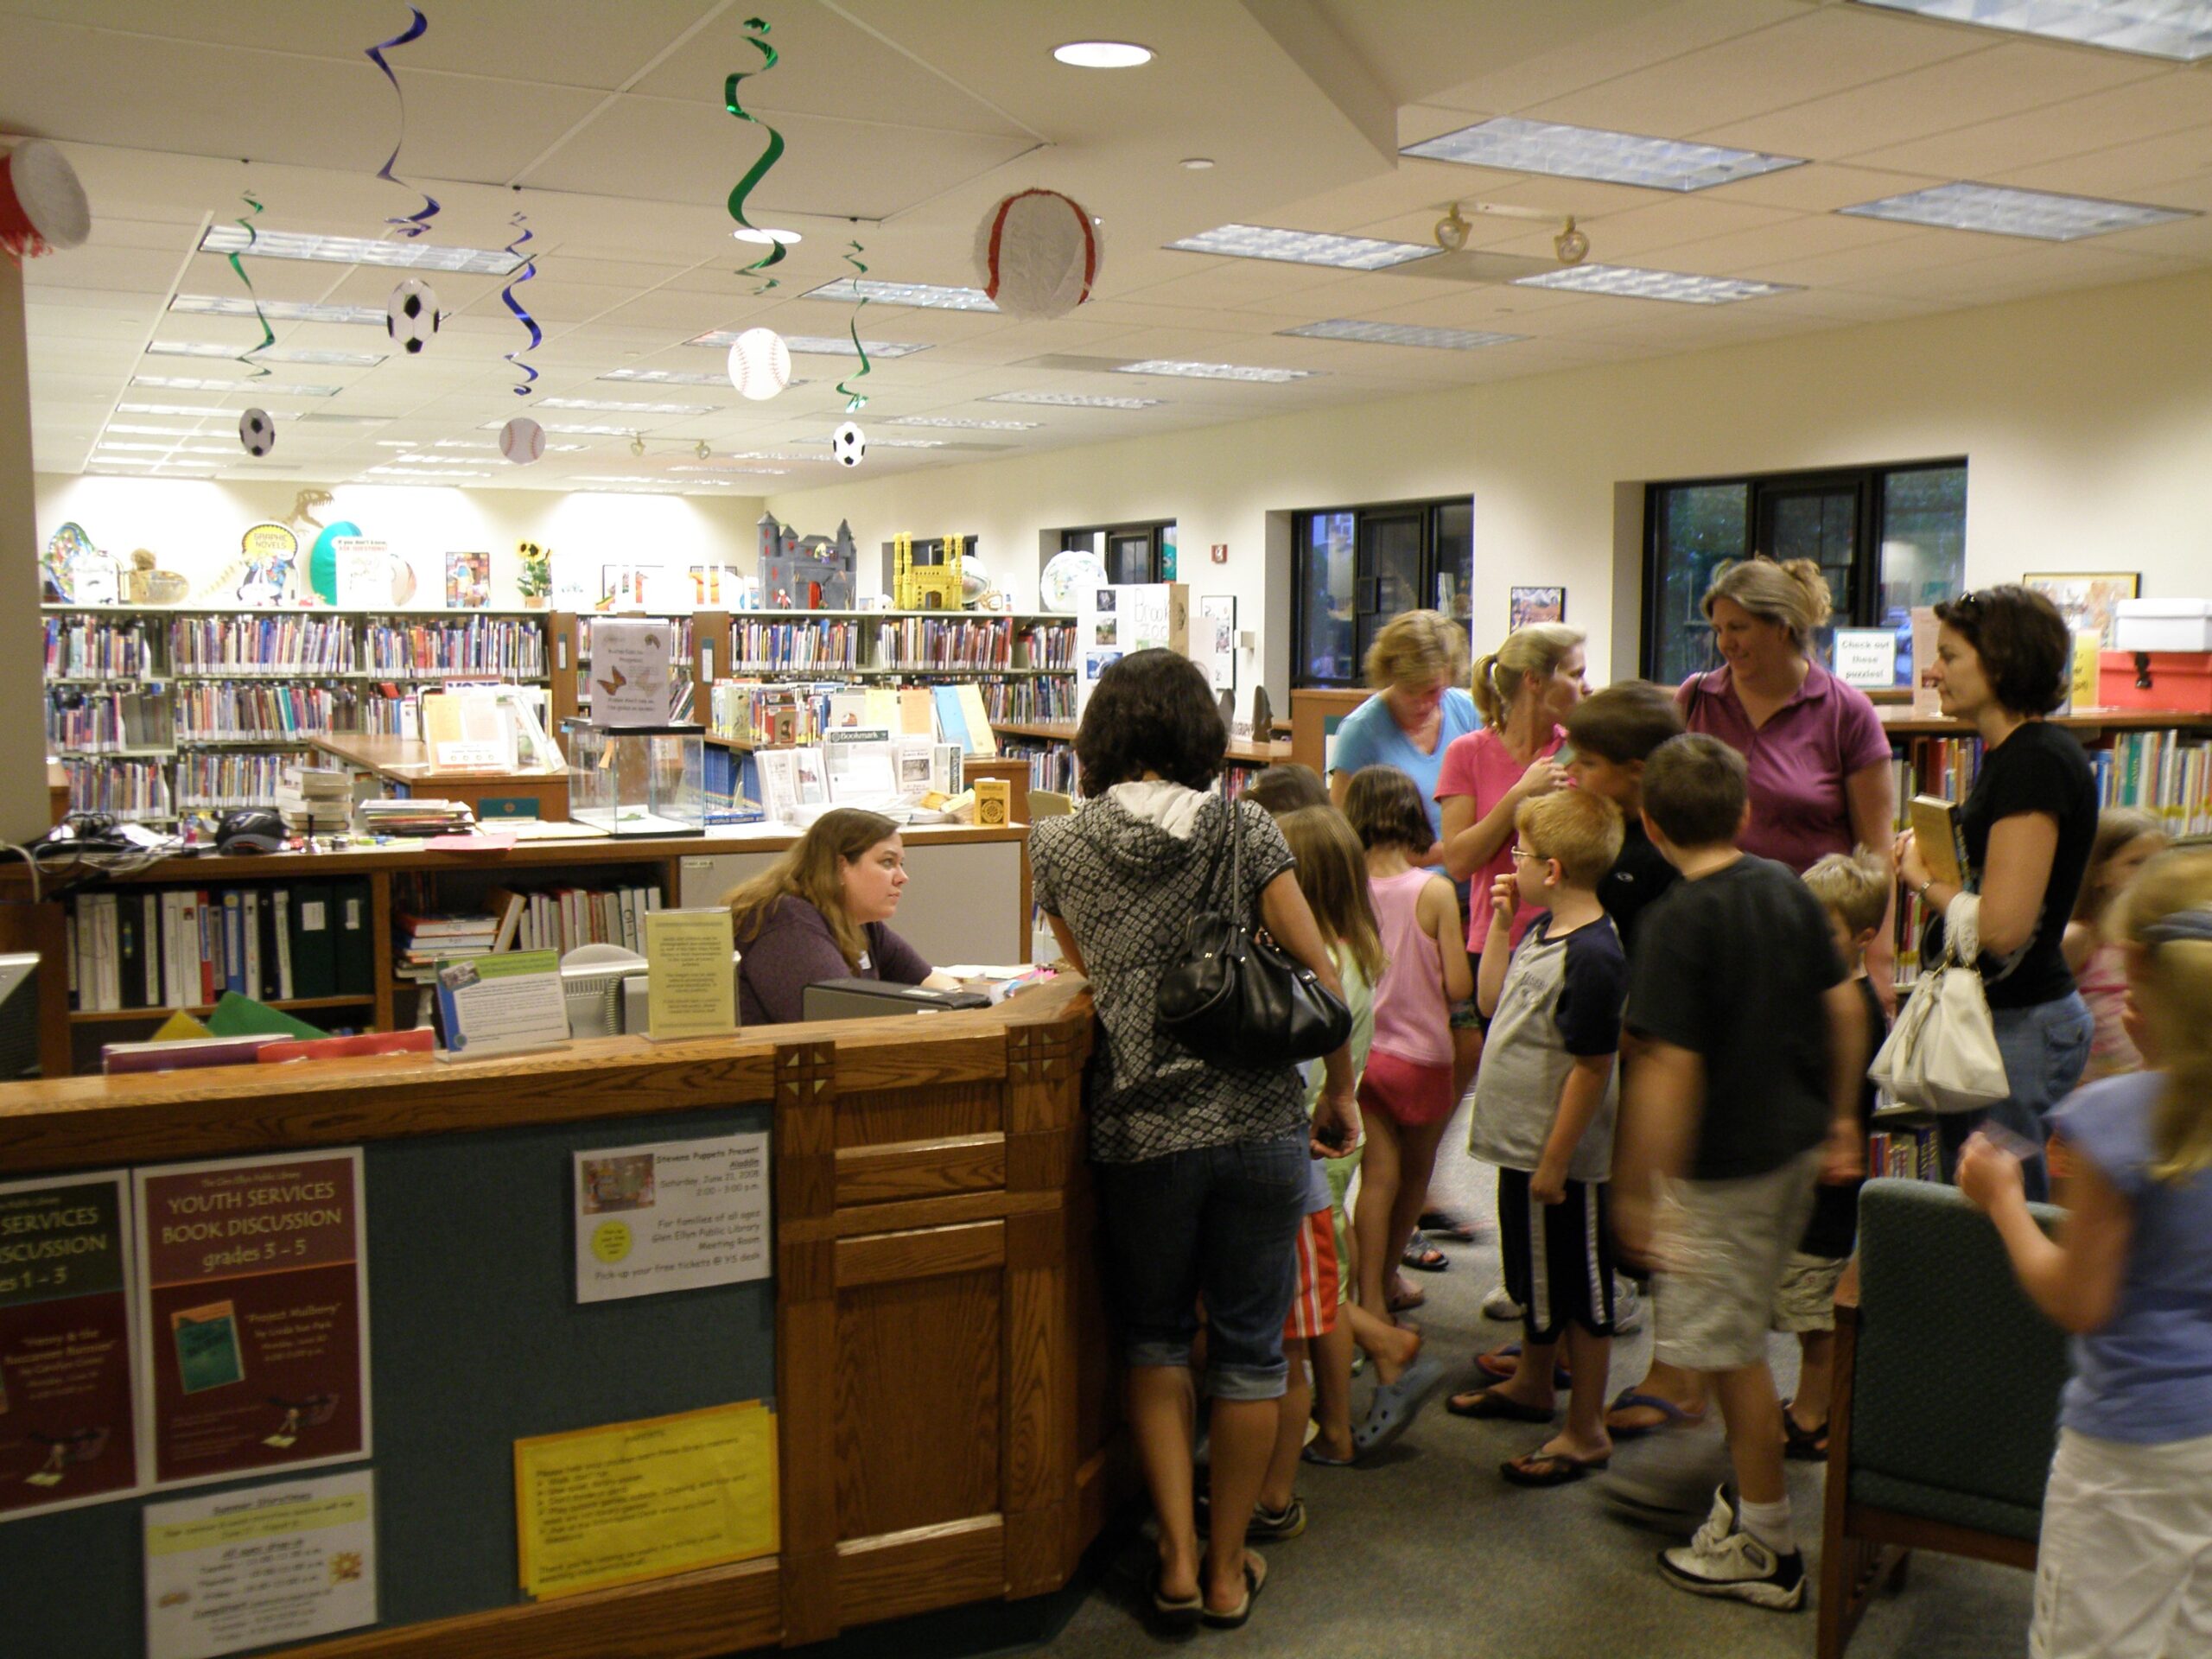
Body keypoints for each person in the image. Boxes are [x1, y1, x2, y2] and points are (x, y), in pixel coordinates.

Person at [1028, 649, 1359, 1633]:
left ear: (1100, 736)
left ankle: (1171, 1560)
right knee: (1253, 1350)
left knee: (1155, 1339)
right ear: (1197, 735)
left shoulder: (1059, 846)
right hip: (1256, 1118)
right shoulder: (1242, 826)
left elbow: (1090, 979)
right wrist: (1337, 1090)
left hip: (1137, 1126)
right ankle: (1226, 1572)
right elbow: (1322, 972)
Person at [1611, 734, 1866, 1611]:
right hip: (1795, 1147)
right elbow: (1844, 1007)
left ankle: (1767, 1546)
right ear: (1746, 811)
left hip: (1723, 1171)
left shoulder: (1674, 923)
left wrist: (1641, 1191)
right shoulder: (1783, 888)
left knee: (1731, 1357)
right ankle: (1744, 1498)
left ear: (1647, 822)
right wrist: (1840, 1117)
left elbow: (1667, 1069)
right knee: (1735, 1335)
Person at [1959, 846, 2212, 1659]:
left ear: (2140, 984)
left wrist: (2003, 1202)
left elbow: (2079, 1300)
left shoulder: (2117, 1119)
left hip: (2129, 1449)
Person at [1473, 682, 1678, 1376]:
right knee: (1541, 1245)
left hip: (1616, 1064)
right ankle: (1544, 1348)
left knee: (1584, 1242)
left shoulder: (1646, 865)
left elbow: (1632, 987)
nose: (1572, 773)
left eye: (1585, 763)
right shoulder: (1567, 899)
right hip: (1563, 1079)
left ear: (1635, 774)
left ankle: (1577, 1354)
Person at [1446, 789, 1628, 1493]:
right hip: (1521, 1149)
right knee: (1534, 1279)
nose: (1510, 864)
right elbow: (1489, 1004)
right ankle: (1530, 1380)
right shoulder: (1539, 930)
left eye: (1518, 855)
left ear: (1551, 870)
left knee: (1578, 1290)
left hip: (1560, 1162)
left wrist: (1556, 1160)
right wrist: (1497, 924)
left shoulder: (1594, 956)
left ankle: (1586, 1428)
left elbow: (1591, 1067)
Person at [1898, 584, 2099, 1202]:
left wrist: (1923, 880)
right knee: (1981, 1217)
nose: (1933, 673)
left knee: (2002, 1228)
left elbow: (2004, 928)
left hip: (2019, 1028)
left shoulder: (2034, 763)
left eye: (1951, 656)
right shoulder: (2013, 756)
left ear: (2002, 662)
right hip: (1997, 1024)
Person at [1256, 806, 1440, 1478]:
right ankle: (1379, 1350)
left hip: (1309, 1142)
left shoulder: (1316, 964)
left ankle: (1342, 1412)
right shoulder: (1352, 949)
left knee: (1315, 1298)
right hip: (1333, 1140)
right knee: (1320, 1280)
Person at [1675, 556, 1896, 986]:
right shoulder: (1696, 698)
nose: (1725, 643)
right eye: (1718, 630)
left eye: (1738, 628)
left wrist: (1879, 959)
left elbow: (1876, 850)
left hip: (1810, 939)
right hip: (1708, 931)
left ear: (1782, 627)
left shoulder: (1845, 711)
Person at [1341, 767, 1473, 1326]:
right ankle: (1392, 1277)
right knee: (1415, 1182)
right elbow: (1459, 987)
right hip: (1425, 1060)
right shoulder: (1435, 890)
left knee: (1377, 1179)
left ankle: (1366, 1295)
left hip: (1366, 1057)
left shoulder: (1345, 890)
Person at [1776, 849, 1891, 1460]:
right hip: (1798, 1178)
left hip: (1827, 1186)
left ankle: (1816, 1411)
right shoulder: (1818, 992)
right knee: (1796, 1298)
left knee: (1813, 1309)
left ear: (1862, 938)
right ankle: (1808, 1399)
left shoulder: (1855, 1009)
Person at [724, 807, 958, 1025]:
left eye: (901, 864)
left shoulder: (862, 923)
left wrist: (960, 1005)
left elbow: (934, 983)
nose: (902, 877)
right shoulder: (788, 922)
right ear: (840, 867)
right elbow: (840, 1023)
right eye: (888, 863)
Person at [1438, 622, 1586, 957]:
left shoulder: (1581, 752)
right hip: (1495, 942)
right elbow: (1459, 862)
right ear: (1533, 680)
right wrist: (1520, 795)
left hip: (1568, 941)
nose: (1586, 687)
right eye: (1575, 675)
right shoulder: (1467, 752)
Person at [1324, 610, 1480, 852]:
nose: (1421, 704)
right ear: (1390, 677)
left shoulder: (1467, 711)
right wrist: (1453, 852)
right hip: (1398, 884)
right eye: (1409, 690)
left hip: (1470, 878)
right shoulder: (1361, 731)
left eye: (1431, 691)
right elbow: (1342, 837)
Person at [2063, 807, 2167, 1082]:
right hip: (2090, 1090)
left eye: (2160, 863)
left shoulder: (2161, 937)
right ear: (2100, 874)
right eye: (2136, 862)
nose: (2152, 874)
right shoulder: (2082, 939)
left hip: (2146, 1082)